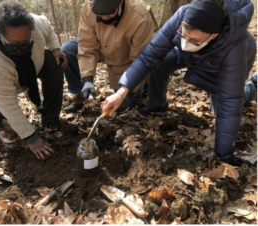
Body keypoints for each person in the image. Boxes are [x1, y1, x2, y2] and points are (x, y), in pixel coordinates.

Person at [103, 0, 257, 167]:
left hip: (219, 62)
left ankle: (253, 86)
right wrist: (122, 91)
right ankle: (157, 105)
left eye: (193, 39)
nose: (185, 42)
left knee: (225, 103)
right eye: (183, 35)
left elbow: (230, 100)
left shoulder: (234, 48)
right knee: (159, 63)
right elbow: (150, 56)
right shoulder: (183, 15)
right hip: (189, 56)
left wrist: (224, 153)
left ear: (214, 35)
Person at [0, 0, 68, 159]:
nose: (22, 46)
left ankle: (50, 119)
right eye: (16, 43)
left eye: (26, 41)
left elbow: (49, 31)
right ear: (0, 35)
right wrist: (31, 138)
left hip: (31, 65)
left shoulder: (35, 23)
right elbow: (7, 103)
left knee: (55, 64)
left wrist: (56, 49)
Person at [62, 0, 158, 112]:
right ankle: (82, 94)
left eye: (109, 13)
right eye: (100, 14)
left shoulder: (140, 15)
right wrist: (87, 79)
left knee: (122, 106)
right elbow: (87, 45)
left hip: (126, 58)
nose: (105, 18)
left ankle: (145, 83)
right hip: (102, 46)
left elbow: (141, 59)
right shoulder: (88, 8)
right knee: (68, 49)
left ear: (120, 2)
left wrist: (126, 92)